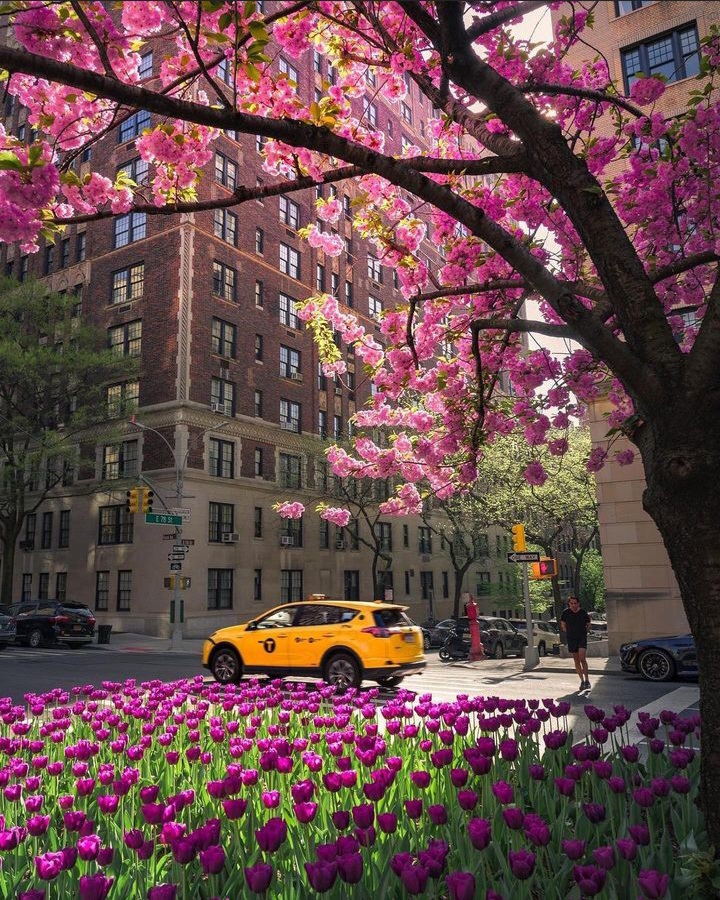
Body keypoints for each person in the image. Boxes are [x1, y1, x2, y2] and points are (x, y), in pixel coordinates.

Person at [560, 596, 591, 690]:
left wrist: (585, 631)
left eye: (575, 603)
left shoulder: (583, 613)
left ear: (578, 603)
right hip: (571, 638)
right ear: (569, 604)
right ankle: (582, 681)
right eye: (571, 603)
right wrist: (567, 630)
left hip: (581, 637)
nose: (573, 605)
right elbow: (563, 625)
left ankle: (587, 680)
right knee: (576, 660)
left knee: (582, 658)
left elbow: (588, 624)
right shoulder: (565, 613)